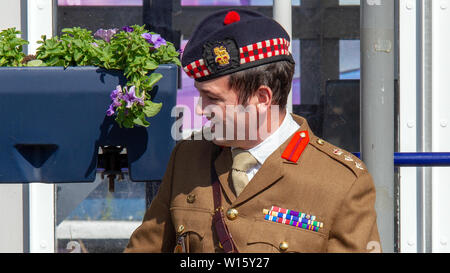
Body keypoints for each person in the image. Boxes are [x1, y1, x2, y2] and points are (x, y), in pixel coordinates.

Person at [124, 8, 381, 253]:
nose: (201, 110)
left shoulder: (341, 182)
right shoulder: (187, 159)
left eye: (213, 98)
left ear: (261, 98)